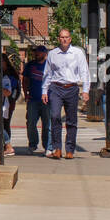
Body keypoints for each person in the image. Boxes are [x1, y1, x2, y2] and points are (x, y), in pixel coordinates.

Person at [41, 27, 90, 159]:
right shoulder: (52, 54)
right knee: (55, 116)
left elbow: (84, 72)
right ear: (59, 39)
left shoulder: (78, 53)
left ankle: (70, 149)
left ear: (70, 39)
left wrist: (85, 90)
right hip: (56, 88)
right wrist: (44, 91)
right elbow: (47, 74)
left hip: (72, 88)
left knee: (71, 120)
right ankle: (57, 148)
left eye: (66, 37)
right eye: (62, 37)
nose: (64, 39)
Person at [22, 44, 51, 155]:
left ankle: (48, 146)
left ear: (44, 53)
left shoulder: (49, 65)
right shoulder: (30, 65)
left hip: (46, 100)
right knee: (31, 122)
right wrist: (26, 94)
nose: (36, 53)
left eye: (39, 52)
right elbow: (25, 80)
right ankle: (33, 144)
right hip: (33, 99)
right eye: (35, 52)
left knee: (47, 124)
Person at [1, 53, 20, 157]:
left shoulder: (9, 75)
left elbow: (10, 91)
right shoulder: (2, 73)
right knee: (4, 124)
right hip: (6, 102)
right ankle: (5, 145)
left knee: (4, 124)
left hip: (7, 102)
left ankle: (7, 146)